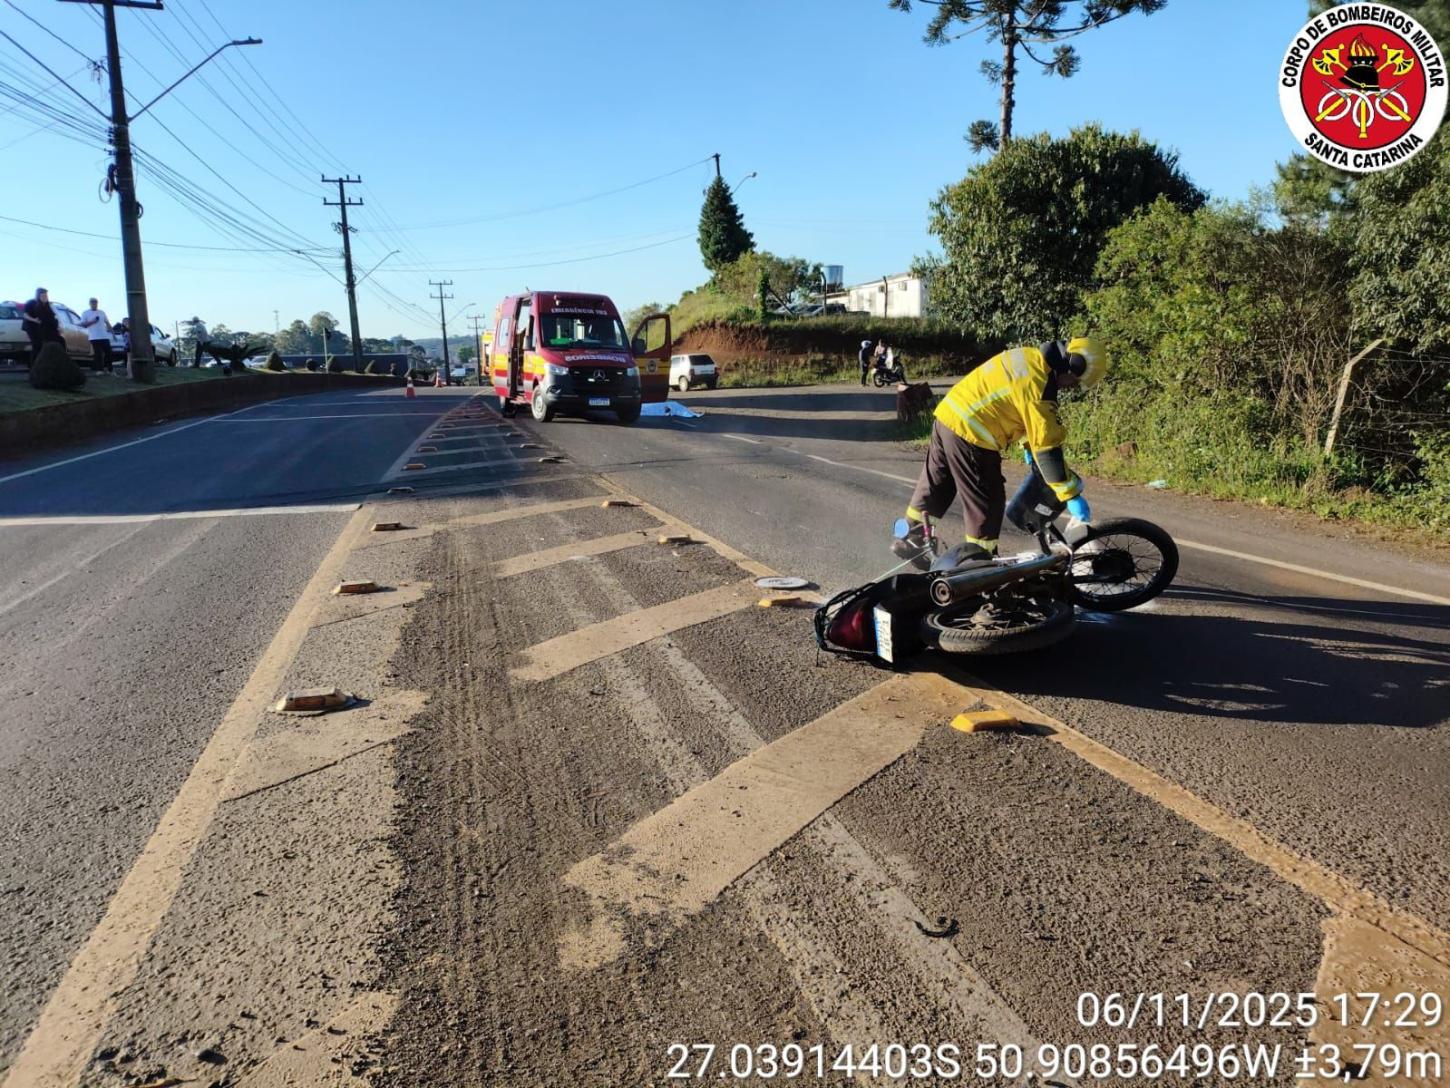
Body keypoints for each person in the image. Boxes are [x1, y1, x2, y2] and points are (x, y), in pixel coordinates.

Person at [893, 337, 1107, 563]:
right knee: (987, 502)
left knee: (937, 484)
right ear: (1073, 365)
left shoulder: (1029, 356)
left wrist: (1026, 443)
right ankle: (979, 564)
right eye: (1073, 381)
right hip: (973, 432)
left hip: (948, 416)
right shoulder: (1039, 385)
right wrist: (1070, 494)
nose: (1069, 386)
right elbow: (1047, 449)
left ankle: (910, 539)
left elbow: (1012, 405)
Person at [21, 287, 60, 365]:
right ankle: (33, 365)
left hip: (42, 327)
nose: (45, 297)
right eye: (43, 295)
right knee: (36, 344)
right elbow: (25, 315)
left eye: (46, 295)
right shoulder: (31, 303)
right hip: (31, 326)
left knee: (45, 345)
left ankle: (42, 363)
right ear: (38, 295)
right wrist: (34, 320)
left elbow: (51, 316)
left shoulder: (46, 304)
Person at [79, 298, 113, 373]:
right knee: (98, 354)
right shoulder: (85, 313)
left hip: (104, 336)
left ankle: (109, 369)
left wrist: (112, 333)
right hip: (94, 337)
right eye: (93, 303)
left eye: (96, 303)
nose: (94, 304)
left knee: (108, 352)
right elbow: (83, 324)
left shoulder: (101, 312)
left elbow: (107, 323)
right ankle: (99, 370)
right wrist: (93, 321)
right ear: (90, 304)